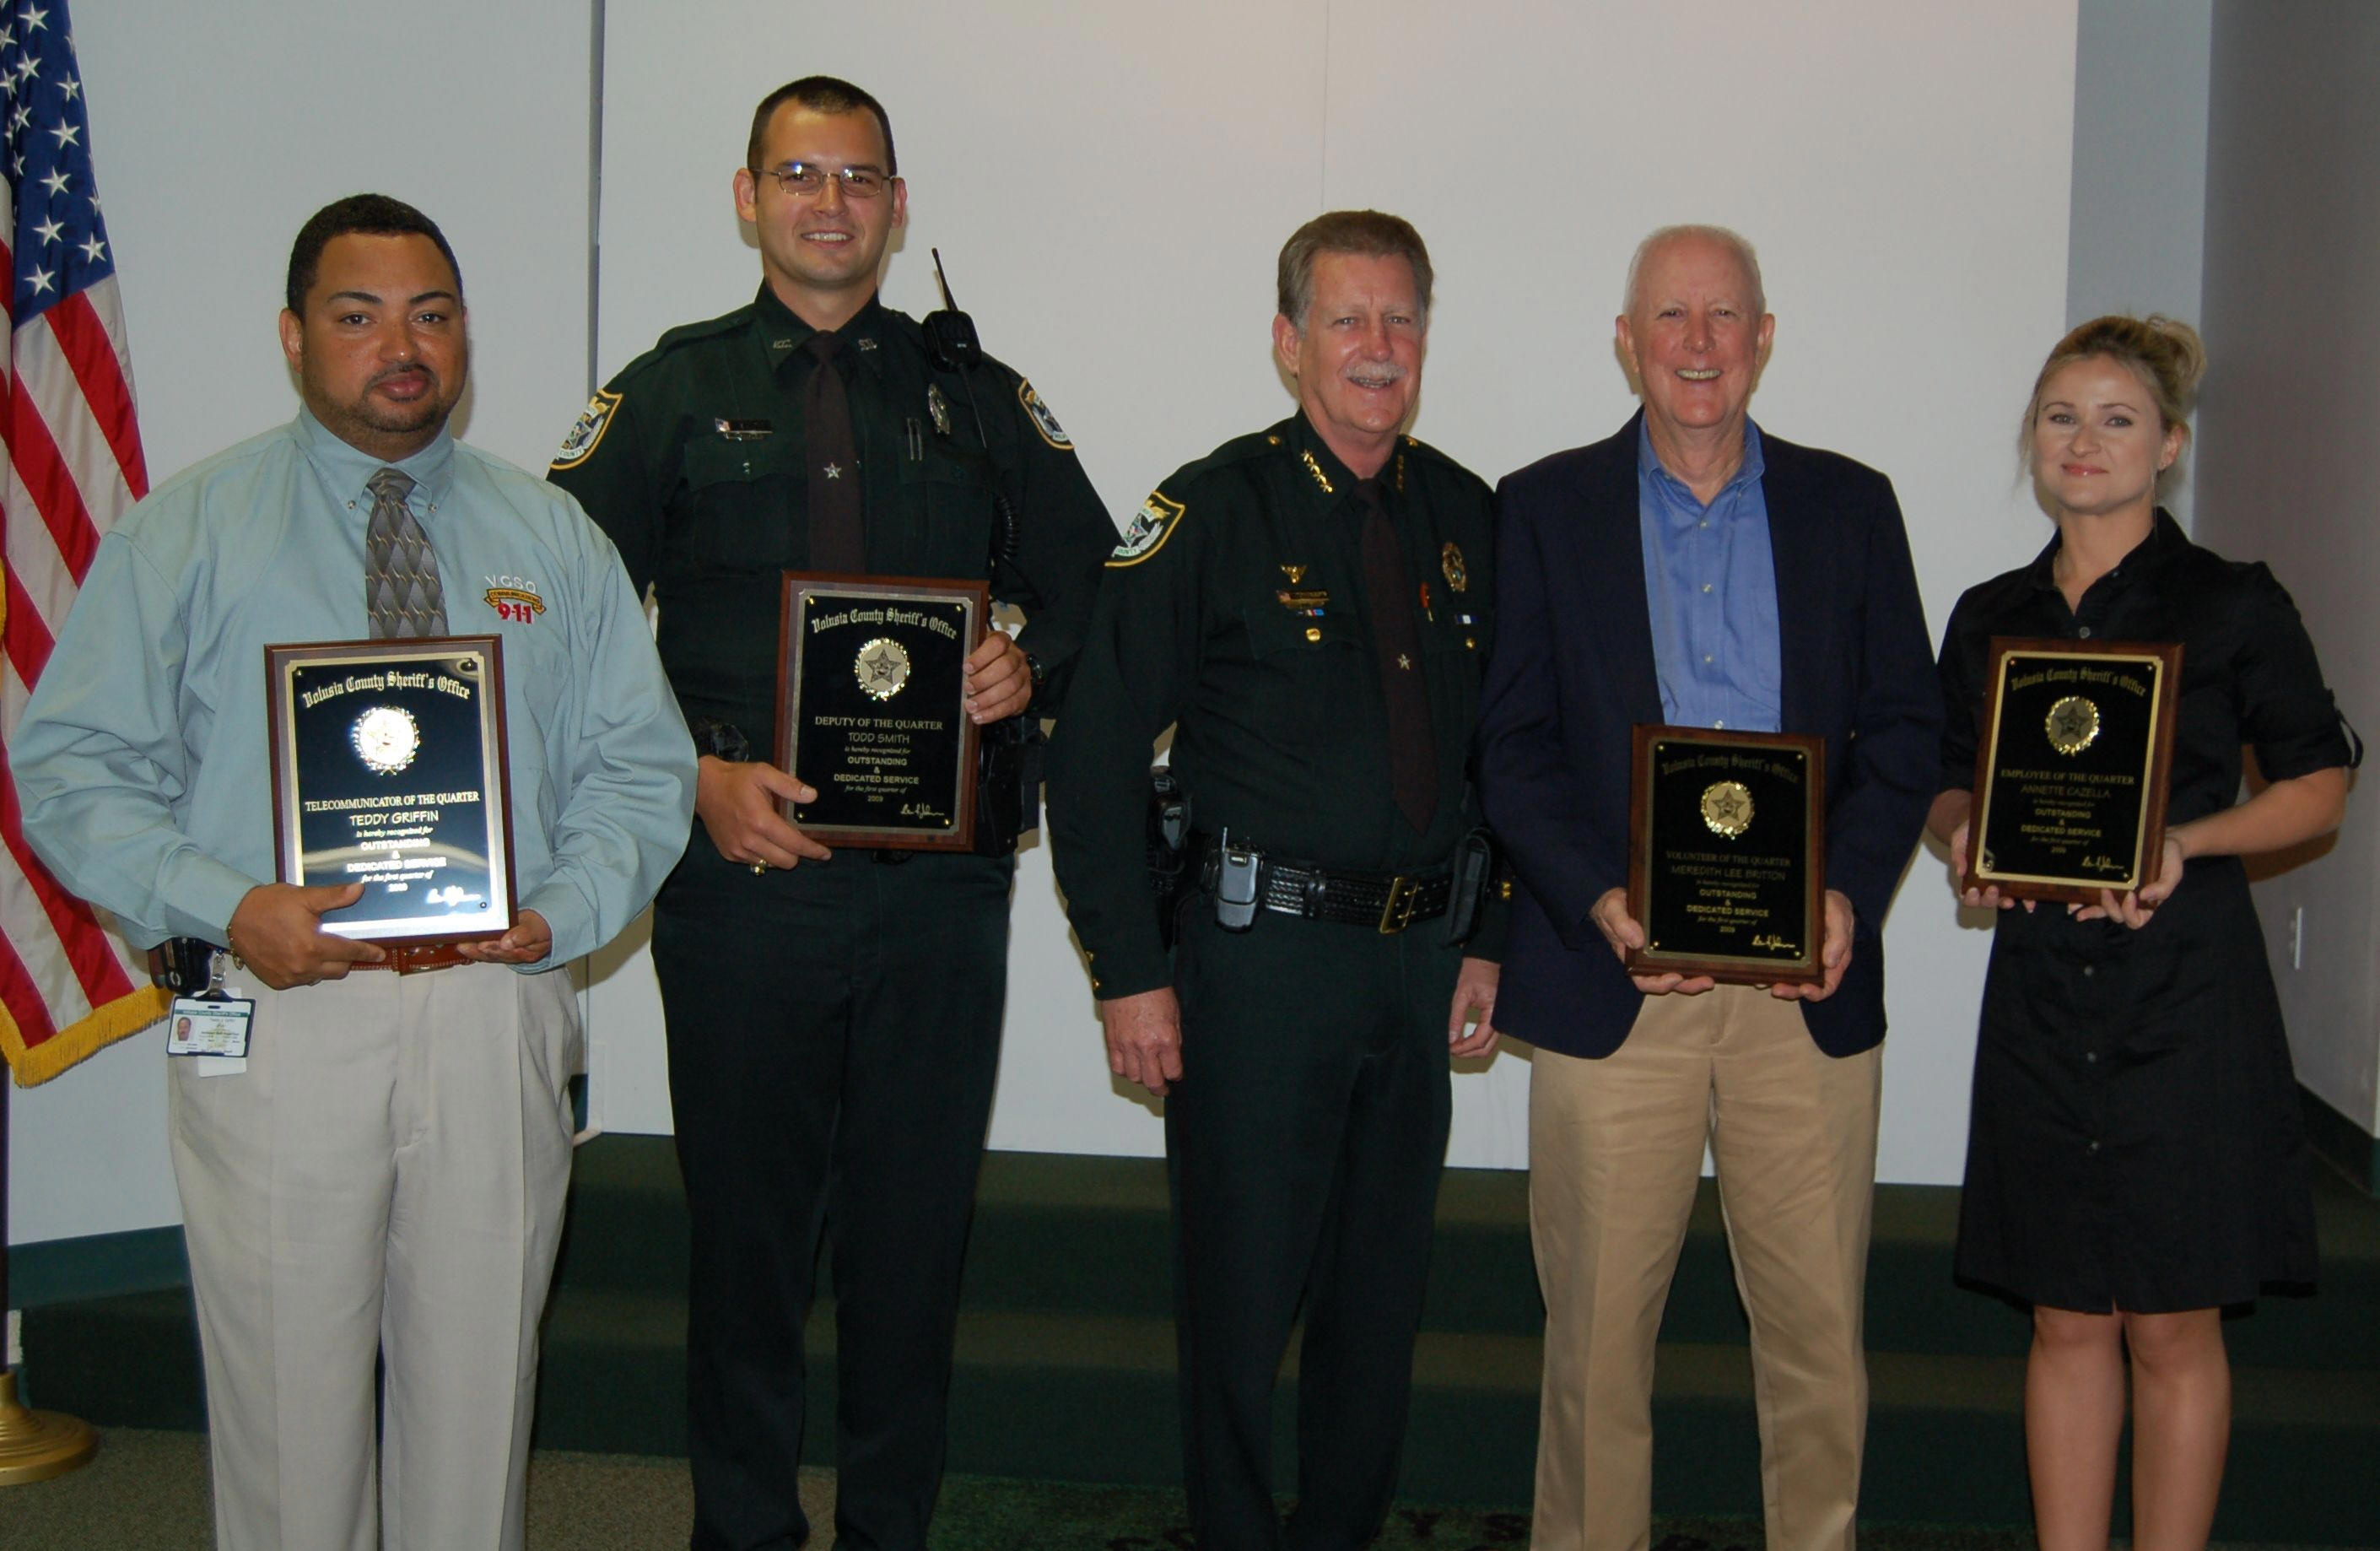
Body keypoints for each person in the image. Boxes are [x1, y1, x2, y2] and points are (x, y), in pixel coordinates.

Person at [8, 193, 696, 1550]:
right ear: (292, 335)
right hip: (281, 1012)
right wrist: (226, 902)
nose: (403, 345)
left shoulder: (551, 538)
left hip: (495, 1004)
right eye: (359, 313)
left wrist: (560, 910)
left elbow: (642, 768)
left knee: (480, 1384)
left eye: (431, 315)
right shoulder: (187, 531)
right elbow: (70, 766)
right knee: (285, 1403)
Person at [545, 75, 1114, 1551]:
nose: (829, 202)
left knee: (911, 1244)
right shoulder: (665, 392)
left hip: (939, 894)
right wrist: (687, 780)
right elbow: (556, 620)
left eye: (858, 177)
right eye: (798, 175)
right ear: (747, 199)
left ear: (895, 204)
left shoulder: (973, 395)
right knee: (745, 1242)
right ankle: (740, 1529)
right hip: (745, 883)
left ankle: (888, 1529)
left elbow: (1100, 589)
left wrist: (1021, 658)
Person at [1045, 210, 1503, 1551]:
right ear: (1287, 340)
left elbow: (1510, 757)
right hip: (1258, 969)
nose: (1377, 348)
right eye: (1347, 320)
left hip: (1416, 968)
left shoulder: (1469, 517)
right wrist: (1128, 968)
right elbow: (1095, 753)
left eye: (1400, 319)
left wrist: (1492, 933)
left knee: (1377, 1305)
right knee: (1241, 1309)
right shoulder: (1214, 508)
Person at [1478, 224, 1939, 1551]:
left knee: (1814, 1341)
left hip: (1806, 993)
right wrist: (1598, 899)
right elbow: (1508, 746)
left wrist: (1845, 889)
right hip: (1613, 982)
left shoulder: (1851, 505)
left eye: (1722, 315)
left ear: (1763, 339)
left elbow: (1905, 731)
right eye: (1668, 316)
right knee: (1595, 1349)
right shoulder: (1542, 507)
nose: (1696, 342)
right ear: (1625, 341)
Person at [1928, 315, 2354, 1551]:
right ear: (2031, 438)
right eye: (2060, 415)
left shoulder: (2231, 603)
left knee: (2171, 1320)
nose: (2084, 441)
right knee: (2062, 1315)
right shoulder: (1987, 614)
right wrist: (1964, 836)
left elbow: (2317, 781)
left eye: (2117, 418)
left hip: (2184, 995)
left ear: (2166, 445)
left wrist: (2183, 844)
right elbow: (1949, 778)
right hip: (2041, 999)